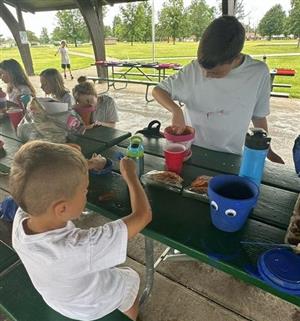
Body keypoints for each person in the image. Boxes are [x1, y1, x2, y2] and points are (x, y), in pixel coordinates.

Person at [10, 140, 152, 321]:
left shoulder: (24, 215)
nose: (86, 192)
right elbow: (143, 215)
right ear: (61, 209)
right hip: (91, 307)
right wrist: (130, 176)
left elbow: (42, 176)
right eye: (85, 190)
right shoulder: (81, 247)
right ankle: (131, 316)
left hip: (59, 299)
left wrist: (83, 164)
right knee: (129, 280)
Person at [152, 16, 284, 164]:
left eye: (214, 72)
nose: (206, 75)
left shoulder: (258, 72)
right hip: (193, 150)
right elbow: (158, 90)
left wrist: (267, 150)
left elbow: (258, 116)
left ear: (235, 58)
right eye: (203, 69)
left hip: (230, 156)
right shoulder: (193, 70)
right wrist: (176, 110)